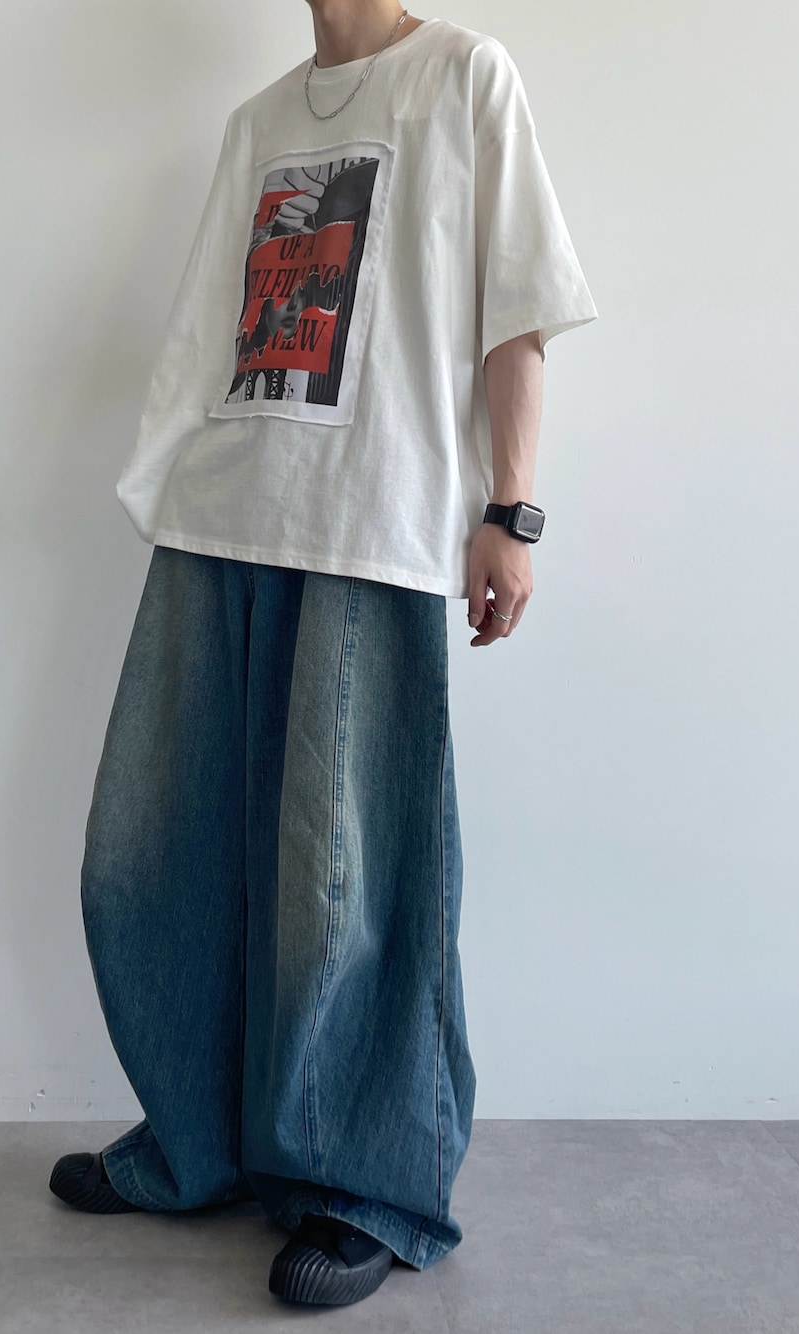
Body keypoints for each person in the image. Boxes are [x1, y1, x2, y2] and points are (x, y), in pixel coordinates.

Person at [49, 0, 598, 1309]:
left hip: (371, 529)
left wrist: (512, 511)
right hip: (221, 520)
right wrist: (162, 488)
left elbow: (517, 308)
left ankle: (370, 1185)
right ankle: (201, 1146)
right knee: (152, 855)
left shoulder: (464, 77)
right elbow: (207, 335)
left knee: (346, 884)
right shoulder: (259, 124)